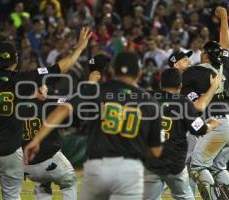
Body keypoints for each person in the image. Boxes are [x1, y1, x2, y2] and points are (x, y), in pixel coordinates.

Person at [0, 27, 91, 199]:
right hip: (10, 152)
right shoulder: (24, 80)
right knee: (12, 194)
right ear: (15, 61)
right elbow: (61, 67)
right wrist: (79, 48)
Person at [24, 51, 164, 200]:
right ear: (139, 73)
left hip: (98, 166)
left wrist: (37, 139)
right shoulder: (149, 102)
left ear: (113, 70)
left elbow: (64, 109)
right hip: (129, 169)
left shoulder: (96, 91)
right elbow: (156, 151)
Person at [181, 7, 229, 199]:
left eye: (202, 52)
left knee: (197, 166)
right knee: (217, 166)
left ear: (206, 54)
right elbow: (226, 43)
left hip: (215, 122)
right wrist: (224, 19)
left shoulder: (194, 72)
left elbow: (195, 103)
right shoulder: (226, 66)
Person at [144, 68, 221, 200]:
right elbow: (199, 129)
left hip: (151, 162)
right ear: (180, 86)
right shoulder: (183, 102)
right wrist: (212, 124)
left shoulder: (147, 99)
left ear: (161, 84)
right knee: (184, 197)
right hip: (174, 163)